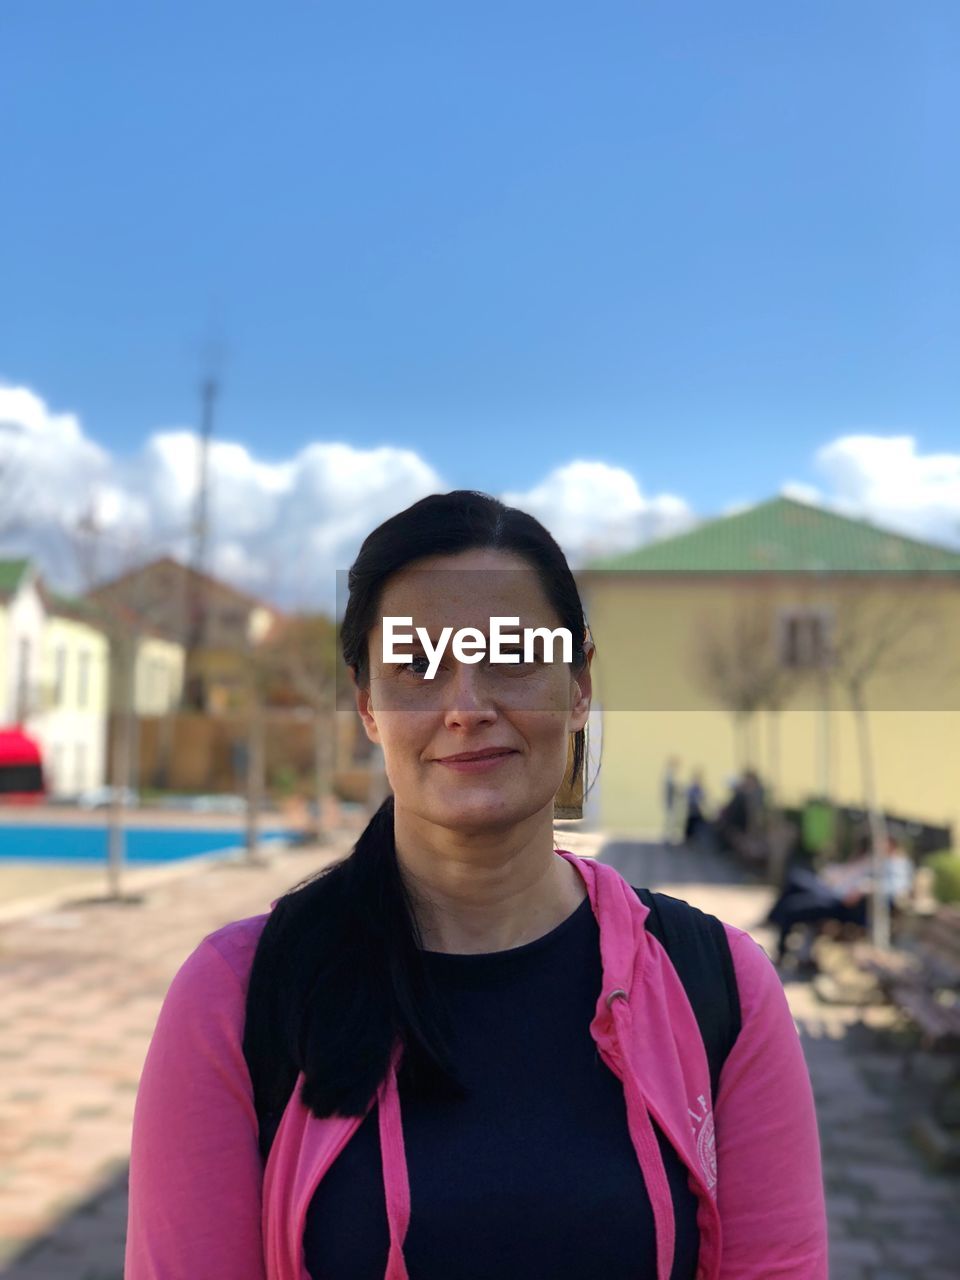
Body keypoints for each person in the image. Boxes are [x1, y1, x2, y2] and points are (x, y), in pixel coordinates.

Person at [125, 490, 828, 1279]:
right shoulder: (236, 999)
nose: (467, 705)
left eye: (511, 657)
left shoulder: (720, 990)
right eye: (418, 665)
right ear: (367, 705)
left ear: (580, 685)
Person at [765, 832, 914, 968]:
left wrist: (867, 887)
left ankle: (781, 952)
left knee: (794, 907)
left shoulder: (897, 864)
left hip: (844, 905)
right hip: (836, 892)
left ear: (892, 844)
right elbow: (850, 872)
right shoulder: (875, 859)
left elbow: (897, 888)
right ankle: (773, 920)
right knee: (796, 879)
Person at [683, 769, 707, 844]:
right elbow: (688, 796)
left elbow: (703, 797)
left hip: (697, 810)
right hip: (692, 809)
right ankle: (689, 839)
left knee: (699, 824)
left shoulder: (699, 788)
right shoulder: (691, 788)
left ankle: (697, 838)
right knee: (690, 824)